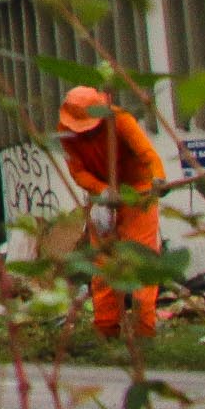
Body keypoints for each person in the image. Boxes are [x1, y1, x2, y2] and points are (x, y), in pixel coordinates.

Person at [58, 84, 166, 334]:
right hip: (103, 198)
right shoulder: (64, 131)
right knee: (104, 264)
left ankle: (144, 330)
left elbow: (148, 154)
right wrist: (102, 189)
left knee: (141, 261)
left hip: (138, 195)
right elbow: (78, 172)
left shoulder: (120, 120)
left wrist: (158, 177)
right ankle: (106, 328)